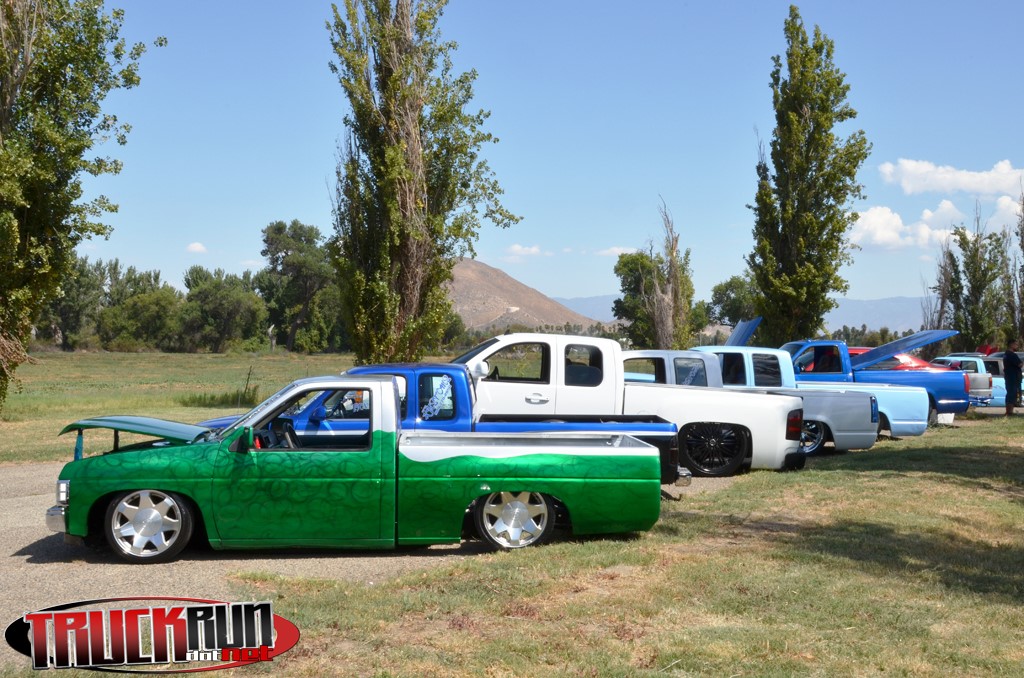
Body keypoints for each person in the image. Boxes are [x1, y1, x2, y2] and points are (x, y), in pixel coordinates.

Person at [1003, 339, 1022, 416]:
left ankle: (1009, 411)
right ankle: (1009, 412)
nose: (1017, 346)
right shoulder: (1011, 355)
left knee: (1010, 394)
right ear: (1011, 345)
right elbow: (1019, 364)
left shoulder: (1006, 354)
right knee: (1012, 394)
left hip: (1009, 377)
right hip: (1013, 378)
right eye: (1016, 344)